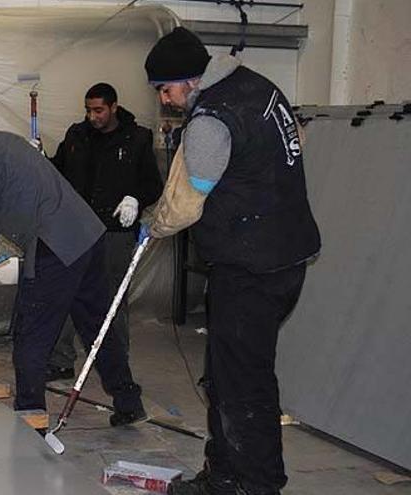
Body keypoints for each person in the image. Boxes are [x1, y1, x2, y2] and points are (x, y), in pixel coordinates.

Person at [142, 27, 321, 495]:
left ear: (190, 80)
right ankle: (223, 476)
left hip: (251, 268)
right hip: (285, 256)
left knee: (243, 384)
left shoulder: (211, 120)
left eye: (165, 88)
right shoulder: (261, 88)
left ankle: (255, 485)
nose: (164, 99)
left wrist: (153, 223)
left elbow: (184, 205)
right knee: (226, 374)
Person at [0, 105, 145, 424]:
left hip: (55, 247)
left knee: (31, 333)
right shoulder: (2, 143)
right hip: (87, 238)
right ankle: (128, 401)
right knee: (98, 325)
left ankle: (31, 419)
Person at [46, 83, 163, 411]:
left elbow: (153, 184)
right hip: (76, 230)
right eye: (88, 110)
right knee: (67, 293)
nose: (92, 116)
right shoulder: (76, 136)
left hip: (114, 232)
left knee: (112, 299)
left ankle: (115, 363)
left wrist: (135, 198)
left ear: (113, 107)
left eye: (98, 110)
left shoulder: (137, 138)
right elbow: (59, 171)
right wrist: (39, 158)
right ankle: (59, 359)